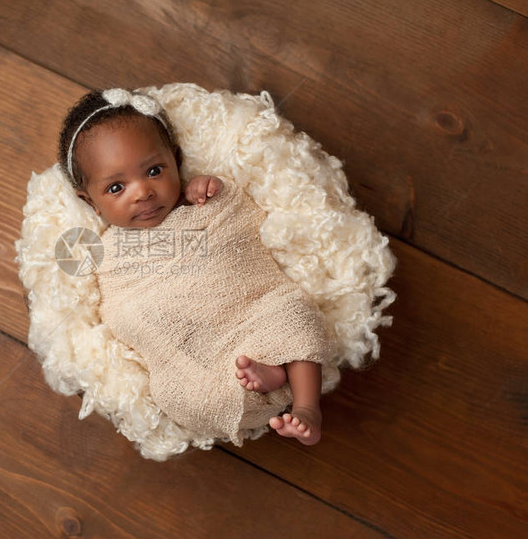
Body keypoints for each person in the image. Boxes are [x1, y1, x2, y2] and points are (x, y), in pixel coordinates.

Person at [58, 88, 327, 445]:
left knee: (294, 313)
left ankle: (307, 406)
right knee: (177, 397)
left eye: (154, 171)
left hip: (253, 312)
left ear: (176, 160)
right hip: (198, 353)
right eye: (117, 187)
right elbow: (123, 311)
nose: (142, 192)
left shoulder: (201, 201)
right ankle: (269, 376)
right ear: (90, 202)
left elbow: (238, 226)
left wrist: (210, 191)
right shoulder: (107, 253)